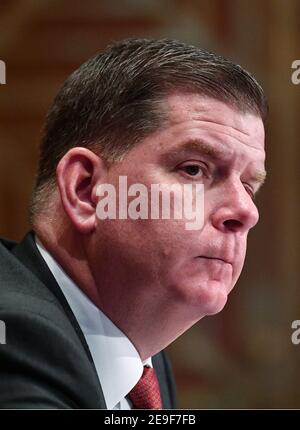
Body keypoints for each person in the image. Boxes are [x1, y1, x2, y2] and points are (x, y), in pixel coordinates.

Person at [0, 38, 267, 409]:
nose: (246, 211)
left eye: (249, 186)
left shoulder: (142, 364)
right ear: (87, 191)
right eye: (194, 169)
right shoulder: (16, 339)